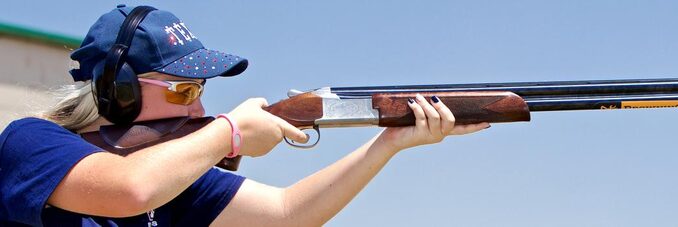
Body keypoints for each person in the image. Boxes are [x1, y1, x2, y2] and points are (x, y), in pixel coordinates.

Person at [0, 5, 490, 227]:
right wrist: (229, 134)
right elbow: (130, 190)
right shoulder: (30, 142)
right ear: (118, 92)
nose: (198, 106)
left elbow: (288, 214)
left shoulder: (175, 175)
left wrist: (389, 142)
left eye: (201, 89)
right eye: (184, 89)